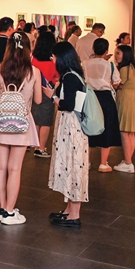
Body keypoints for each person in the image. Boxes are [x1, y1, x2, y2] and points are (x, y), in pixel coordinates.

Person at [0, 33, 43, 225]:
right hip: (22, 124)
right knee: (15, 168)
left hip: (1, 122)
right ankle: (10, 210)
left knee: (0, 166)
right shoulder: (34, 72)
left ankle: (2, 208)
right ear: (28, 48)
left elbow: (0, 99)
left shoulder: (0, 69)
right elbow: (38, 100)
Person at [49, 41, 89, 228]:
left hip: (72, 127)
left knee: (73, 167)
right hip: (70, 127)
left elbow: (69, 105)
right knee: (70, 167)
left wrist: (53, 96)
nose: (52, 59)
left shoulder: (70, 78)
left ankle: (74, 214)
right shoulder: (72, 75)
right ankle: (68, 210)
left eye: (54, 56)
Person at [83, 37, 122, 172]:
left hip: (90, 97)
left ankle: (87, 161)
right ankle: (103, 163)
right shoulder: (109, 65)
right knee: (107, 128)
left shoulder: (85, 63)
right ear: (106, 50)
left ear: (93, 49)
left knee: (89, 127)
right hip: (105, 98)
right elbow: (116, 81)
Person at [114, 45, 135, 173]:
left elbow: (117, 85)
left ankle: (128, 162)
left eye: (118, 53)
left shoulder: (124, 69)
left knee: (124, 131)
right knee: (131, 132)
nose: (116, 56)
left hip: (126, 101)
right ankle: (128, 160)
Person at [30, 30, 59, 158]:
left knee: (36, 118)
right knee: (46, 121)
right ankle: (41, 147)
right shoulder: (52, 61)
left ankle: (35, 144)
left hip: (33, 91)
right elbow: (57, 77)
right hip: (48, 91)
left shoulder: (33, 58)